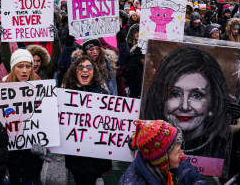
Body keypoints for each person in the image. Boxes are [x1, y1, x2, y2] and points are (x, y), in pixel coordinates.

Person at [144, 46, 231, 159]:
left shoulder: (221, 150)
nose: (185, 106)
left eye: (197, 95)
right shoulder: (147, 143)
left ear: (213, 100)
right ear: (161, 98)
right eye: (175, 94)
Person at [62, 56, 111, 184]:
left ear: (93, 72)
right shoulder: (67, 94)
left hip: (96, 156)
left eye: (89, 67)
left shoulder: (103, 94)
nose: (85, 70)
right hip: (76, 156)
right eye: (81, 67)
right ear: (75, 71)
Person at [119, 120, 206, 185]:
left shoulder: (177, 163)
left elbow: (197, 179)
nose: (183, 155)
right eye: (177, 152)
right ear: (162, 159)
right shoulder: (132, 182)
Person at [3, 49, 43, 185]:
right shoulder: (1, 90)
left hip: (33, 154)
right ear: (13, 68)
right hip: (11, 154)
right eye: (20, 66)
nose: (24, 70)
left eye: (28, 66)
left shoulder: (42, 90)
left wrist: (44, 146)